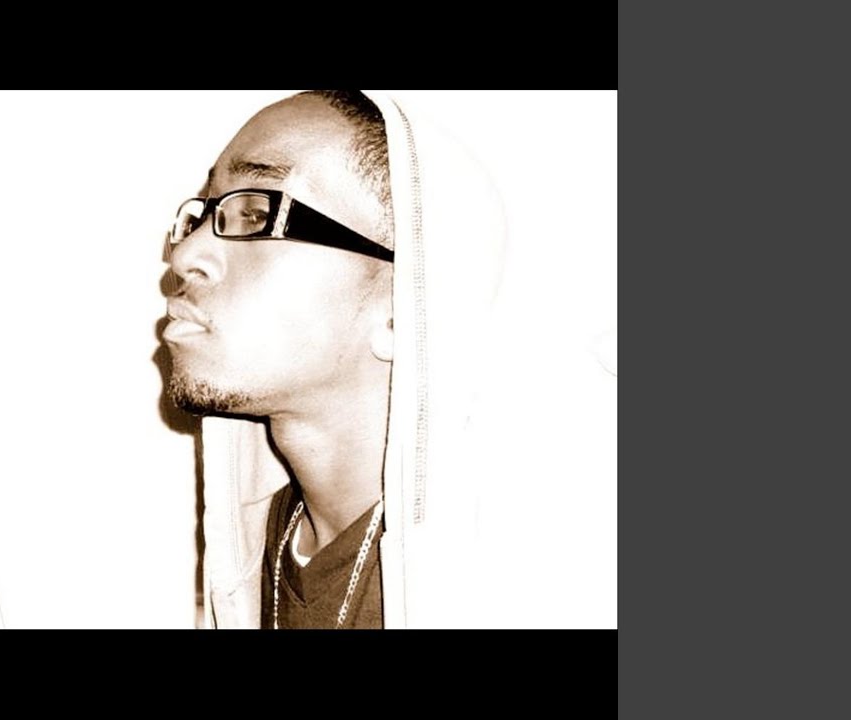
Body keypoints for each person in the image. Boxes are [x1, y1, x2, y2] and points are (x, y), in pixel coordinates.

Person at [162, 90, 616, 628]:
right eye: (200, 216)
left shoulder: (544, 580)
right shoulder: (258, 545)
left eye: (256, 213)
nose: (184, 255)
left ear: (405, 308)